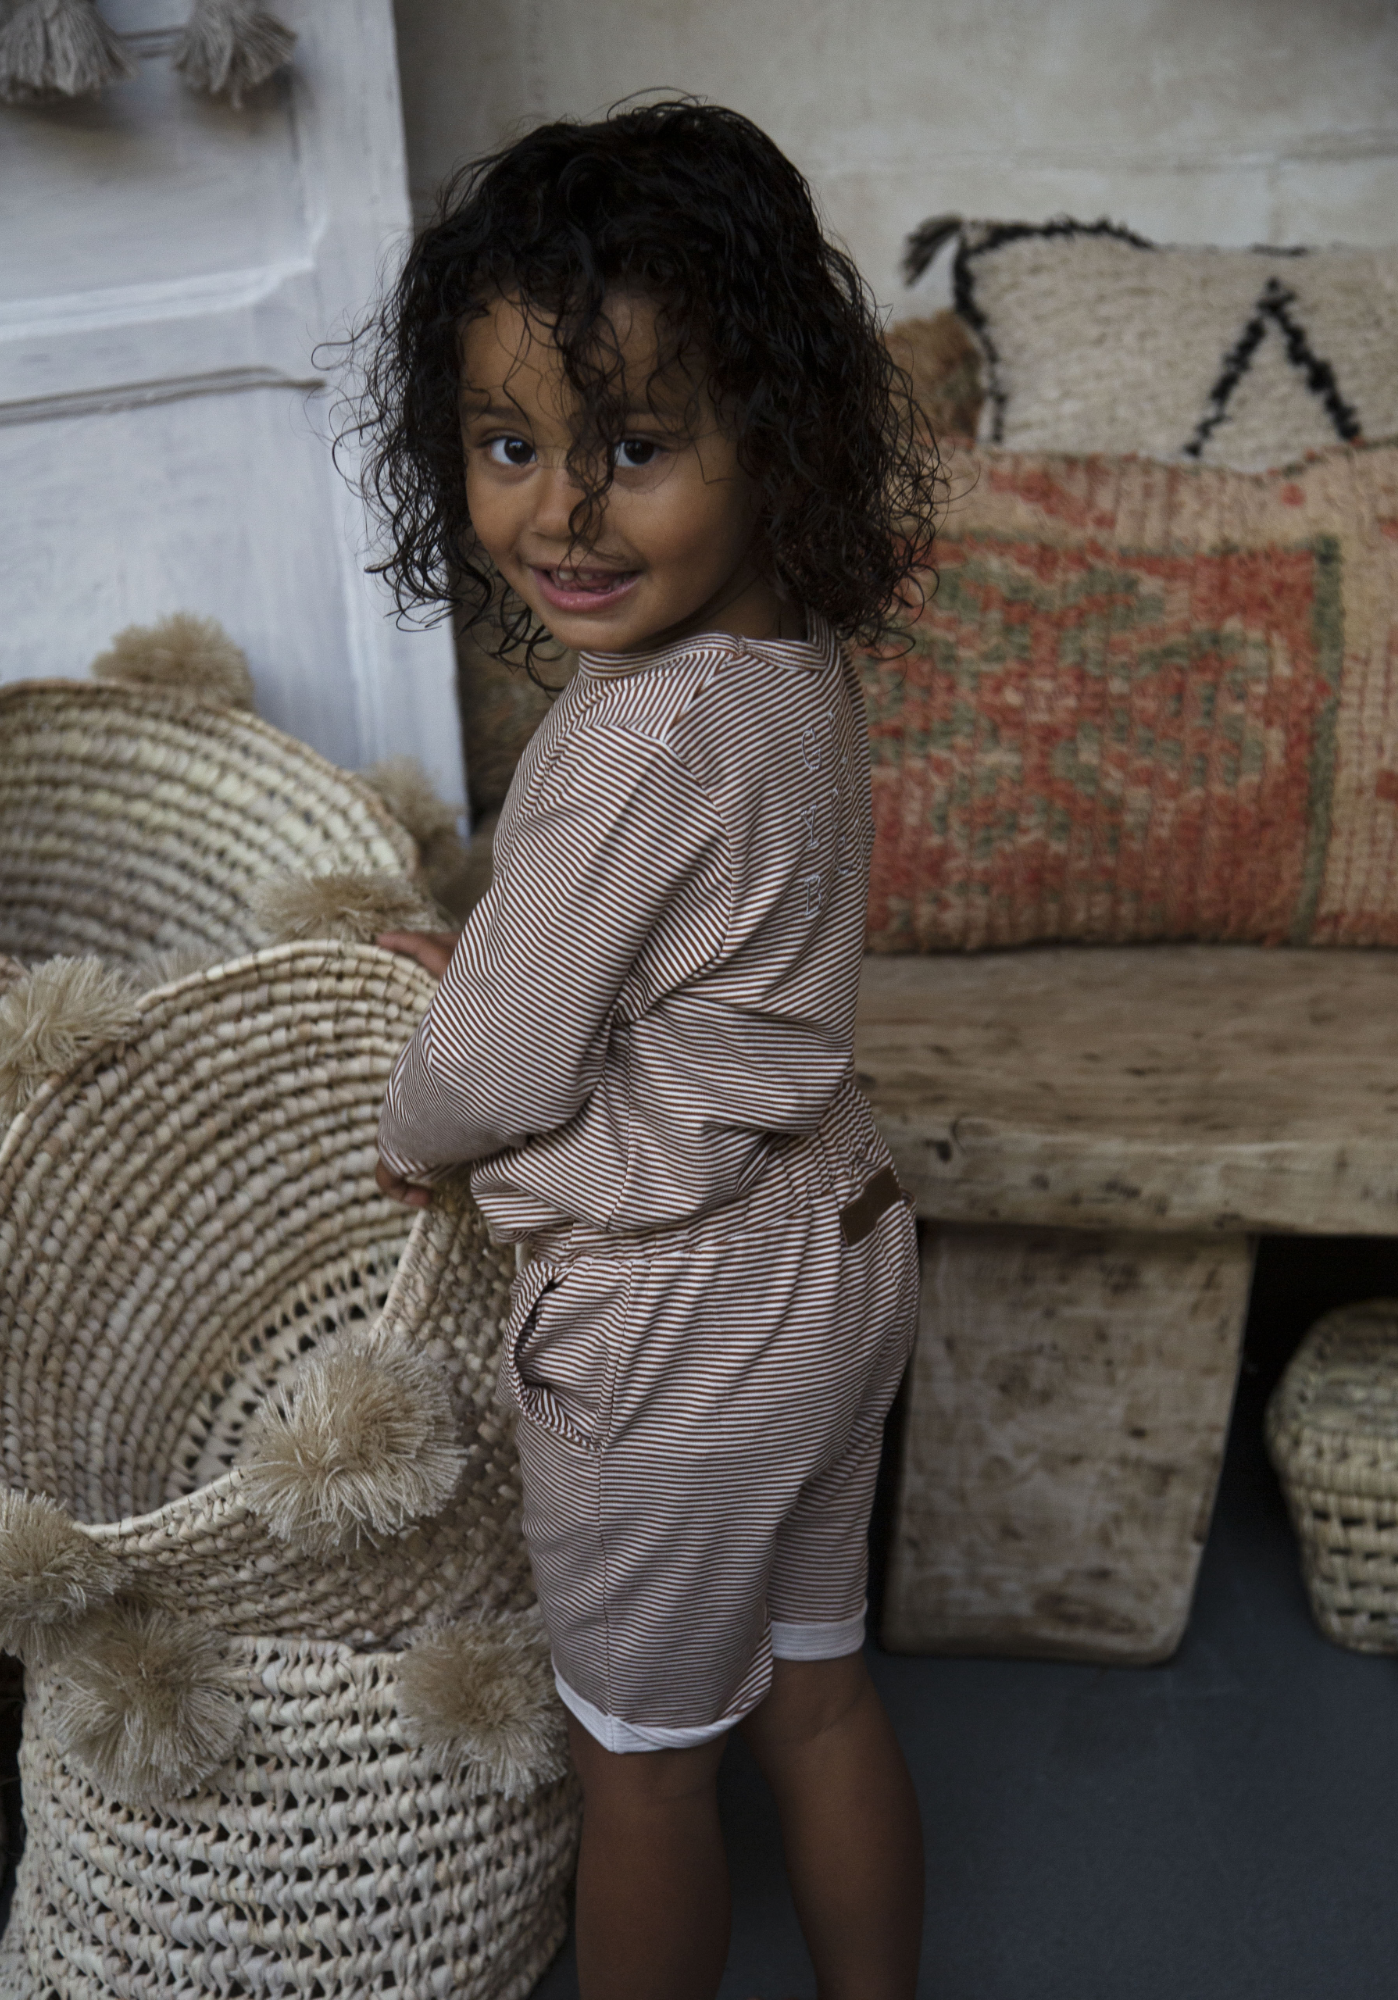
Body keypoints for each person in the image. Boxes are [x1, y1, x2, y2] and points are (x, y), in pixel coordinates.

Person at [359, 99, 937, 2000]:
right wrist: (506, 960)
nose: (560, 513)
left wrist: (415, 1114)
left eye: (634, 446)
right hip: (840, 1242)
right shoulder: (790, 668)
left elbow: (499, 1073)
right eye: (509, 445)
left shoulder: (627, 737)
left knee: (642, 1771)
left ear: (778, 437)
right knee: (822, 1696)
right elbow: (683, 952)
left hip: (683, 1319)